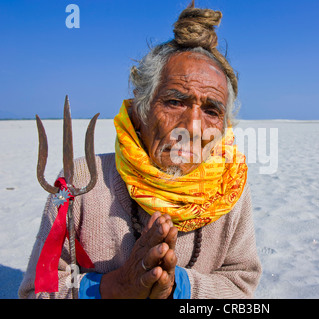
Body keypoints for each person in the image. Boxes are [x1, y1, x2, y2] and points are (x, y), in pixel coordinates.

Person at [19, 3, 262, 299]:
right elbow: (38, 289)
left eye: (211, 110)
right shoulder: (78, 181)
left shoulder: (229, 191)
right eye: (174, 102)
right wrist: (114, 287)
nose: (194, 127)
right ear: (140, 111)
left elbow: (242, 285)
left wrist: (176, 287)